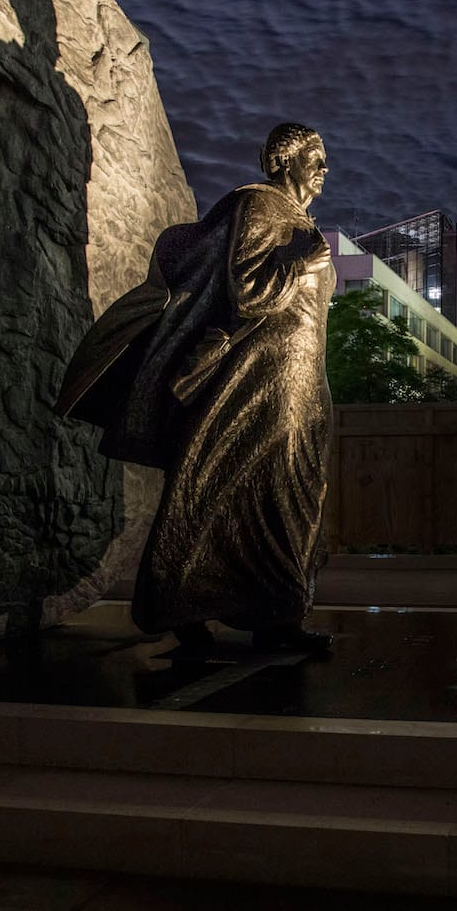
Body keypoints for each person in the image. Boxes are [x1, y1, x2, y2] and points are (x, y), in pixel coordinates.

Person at [56, 123, 335, 652]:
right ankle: (186, 608)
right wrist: (301, 263)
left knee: (290, 486)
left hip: (300, 375)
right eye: (315, 158)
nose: (323, 169)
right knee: (227, 480)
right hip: (260, 374)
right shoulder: (259, 207)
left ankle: (277, 615)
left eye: (325, 161)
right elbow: (248, 292)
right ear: (282, 162)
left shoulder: (299, 220)